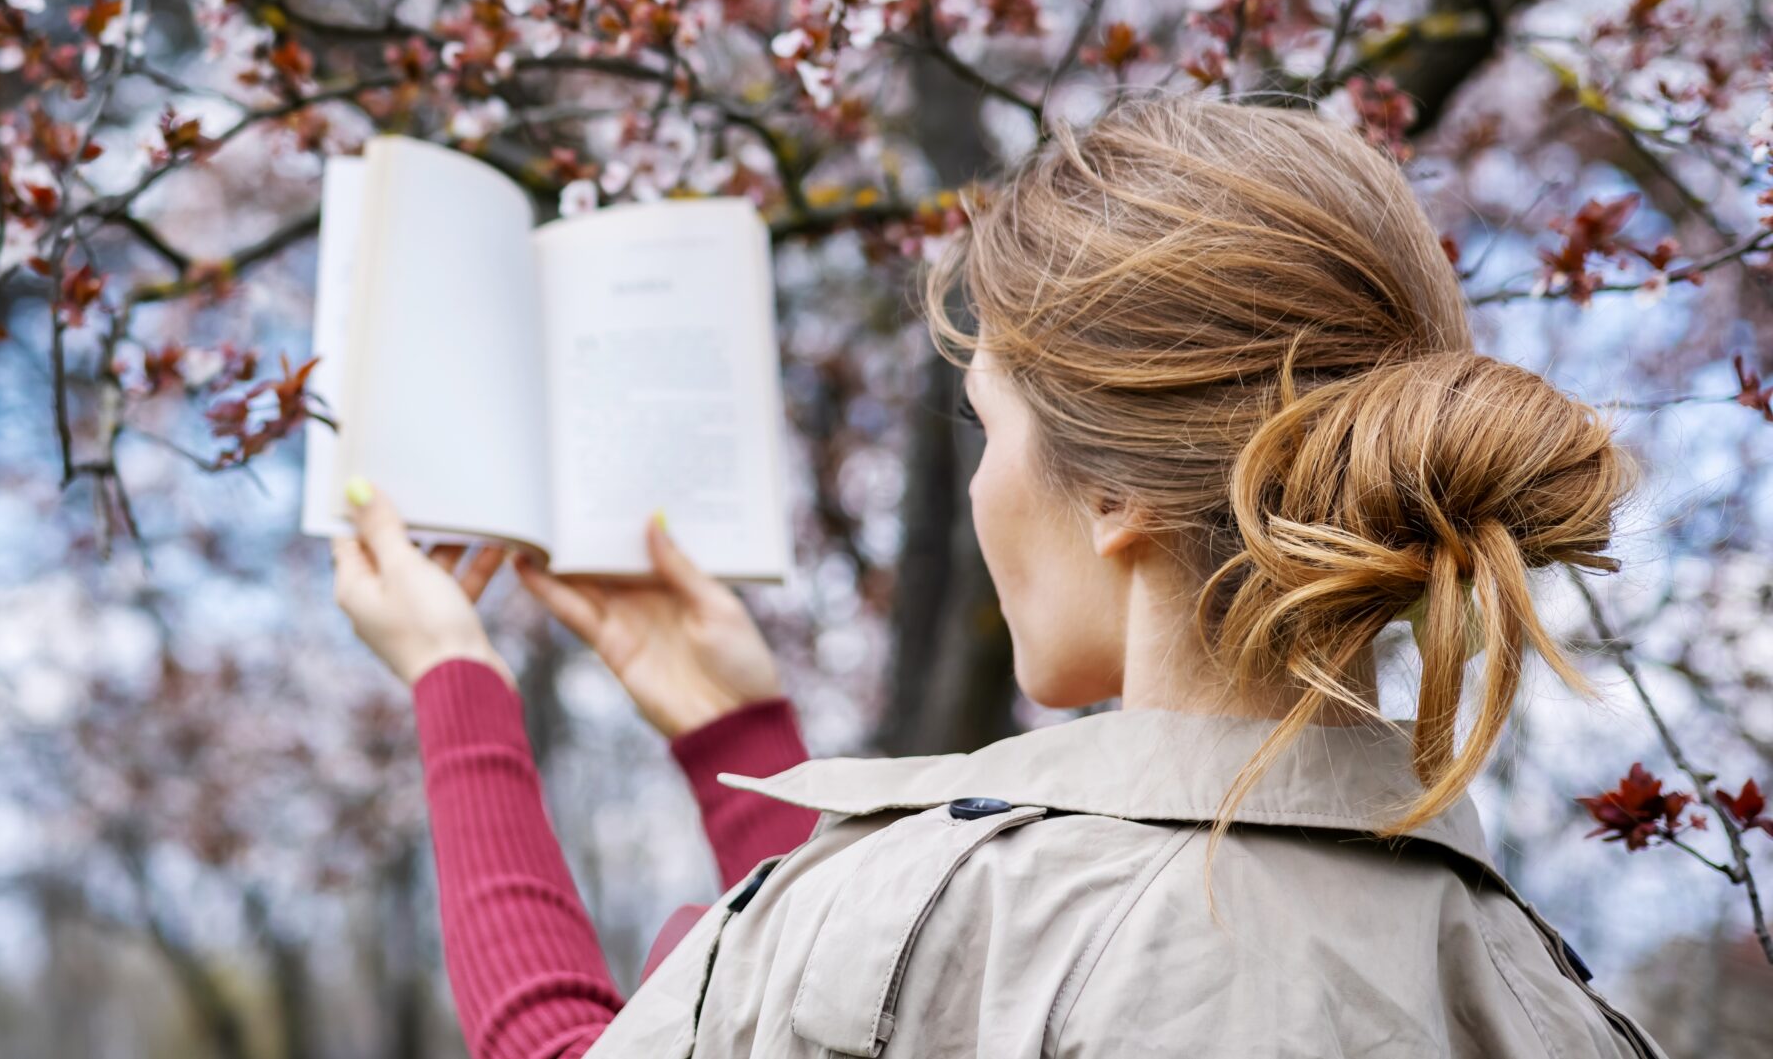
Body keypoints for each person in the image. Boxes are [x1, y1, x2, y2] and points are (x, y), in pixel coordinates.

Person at [330, 91, 1669, 1057]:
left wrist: (461, 688)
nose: (981, 487)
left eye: (993, 426)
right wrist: (731, 738)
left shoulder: (952, 910)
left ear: (1117, 495)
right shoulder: (1555, 999)